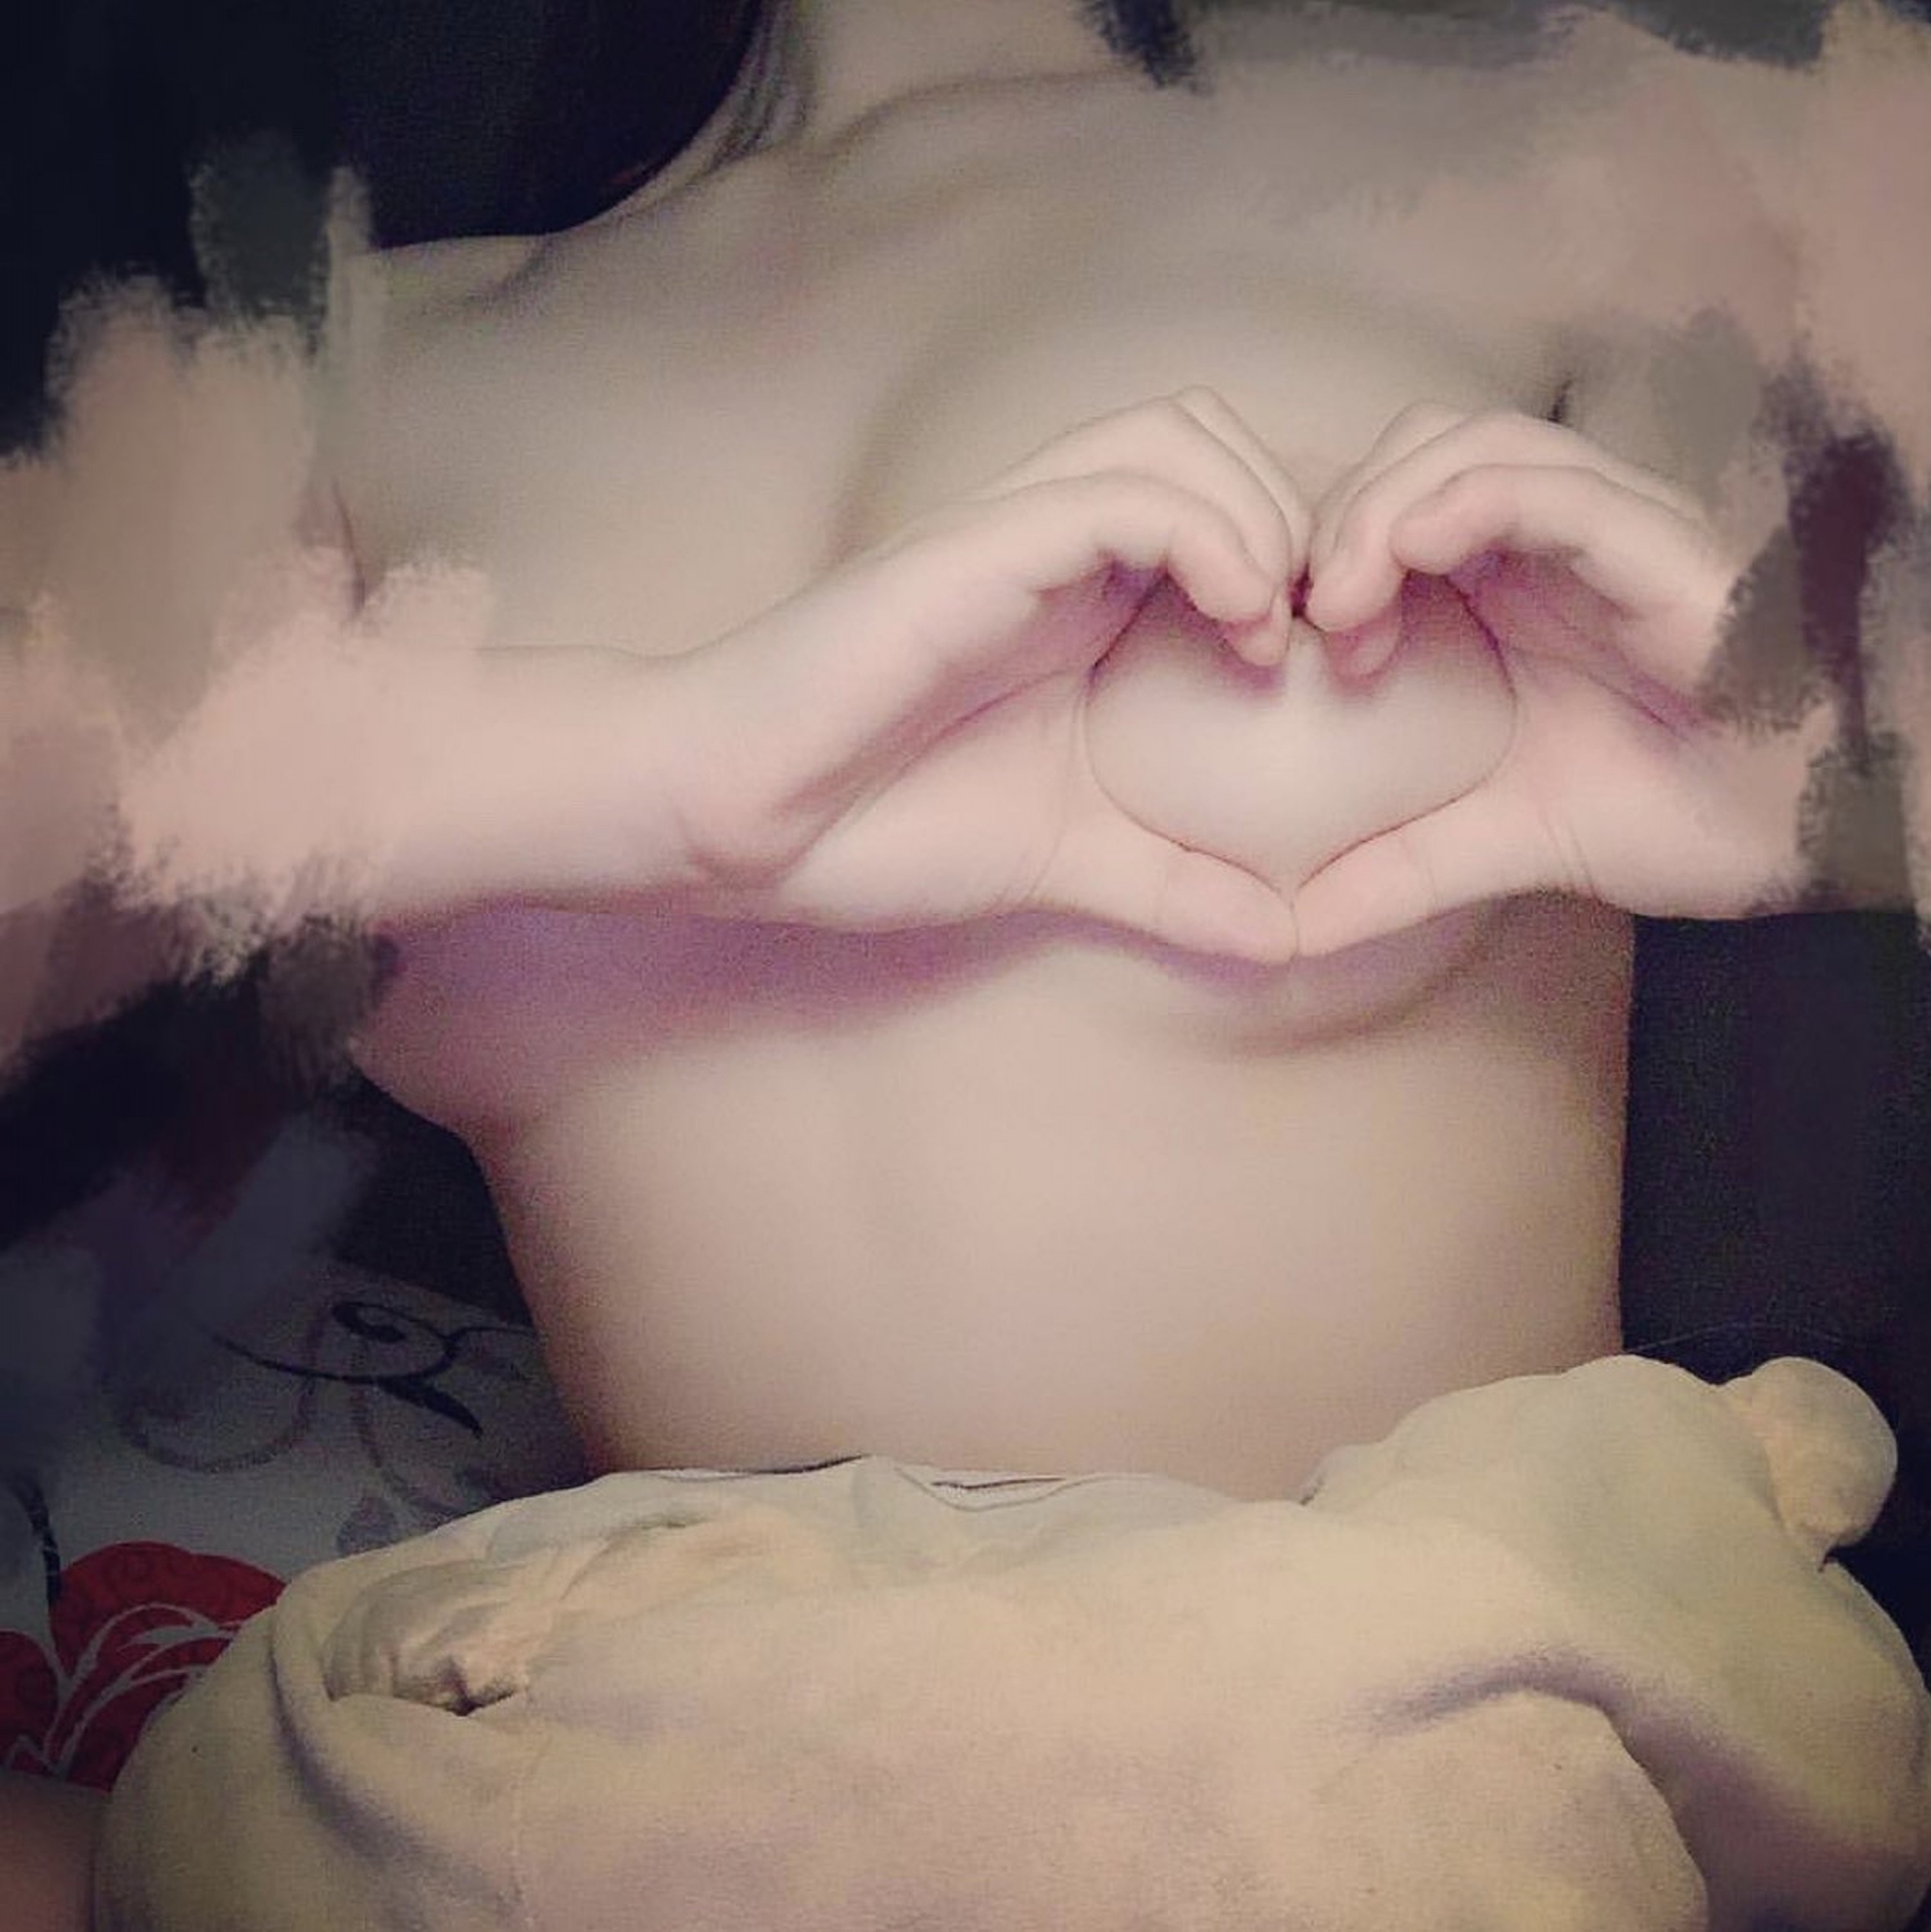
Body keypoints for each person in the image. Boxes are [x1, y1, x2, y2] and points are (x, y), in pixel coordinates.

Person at [2, 0, 1928, 1924]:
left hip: (1401, 1746)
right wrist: (667, 772)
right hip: (558, 1770)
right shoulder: (334, 361)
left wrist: (1855, 783)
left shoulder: (1599, 150)